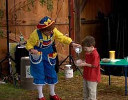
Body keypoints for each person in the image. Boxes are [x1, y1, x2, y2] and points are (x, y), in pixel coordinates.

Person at [26, 16, 80, 100]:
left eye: (52, 30)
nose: (51, 32)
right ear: (43, 30)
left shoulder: (53, 31)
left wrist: (72, 43)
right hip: (38, 55)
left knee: (51, 72)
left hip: (49, 54)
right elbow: (28, 44)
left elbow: (62, 37)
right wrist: (32, 49)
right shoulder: (35, 34)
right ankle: (40, 96)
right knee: (39, 74)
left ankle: (52, 94)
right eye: (48, 31)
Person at [75, 36, 101, 100]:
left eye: (86, 48)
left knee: (92, 91)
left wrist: (85, 64)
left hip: (93, 76)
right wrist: (83, 62)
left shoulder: (95, 54)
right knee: (85, 90)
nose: (85, 50)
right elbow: (87, 61)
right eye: (84, 49)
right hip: (86, 75)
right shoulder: (88, 53)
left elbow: (94, 65)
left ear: (92, 47)